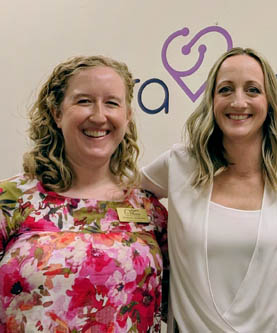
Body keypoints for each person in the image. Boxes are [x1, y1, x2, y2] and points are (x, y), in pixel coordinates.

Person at [141, 47, 277, 332]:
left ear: (269, 101)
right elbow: (120, 197)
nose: (239, 101)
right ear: (212, 100)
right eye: (226, 90)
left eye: (253, 90)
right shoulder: (180, 165)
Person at [0, 56, 168, 332]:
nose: (99, 116)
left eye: (112, 103)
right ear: (57, 113)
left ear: (127, 116)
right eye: (84, 101)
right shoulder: (11, 202)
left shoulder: (149, 210)